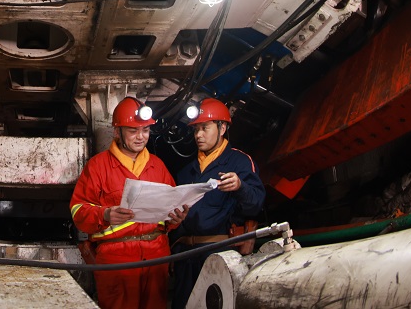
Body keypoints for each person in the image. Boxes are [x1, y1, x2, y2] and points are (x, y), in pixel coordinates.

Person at [70, 97, 188, 309]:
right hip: (117, 259)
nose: (140, 137)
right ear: (117, 132)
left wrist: (176, 219)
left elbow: (169, 210)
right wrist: (105, 214)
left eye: (145, 130)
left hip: (156, 256)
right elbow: (78, 211)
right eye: (133, 131)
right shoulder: (98, 166)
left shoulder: (157, 166)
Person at [170, 98, 265, 308]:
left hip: (218, 255)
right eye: (196, 129)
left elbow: (256, 205)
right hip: (186, 258)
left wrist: (241, 186)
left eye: (205, 128)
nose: (198, 135)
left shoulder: (239, 162)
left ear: (222, 128)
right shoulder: (186, 172)